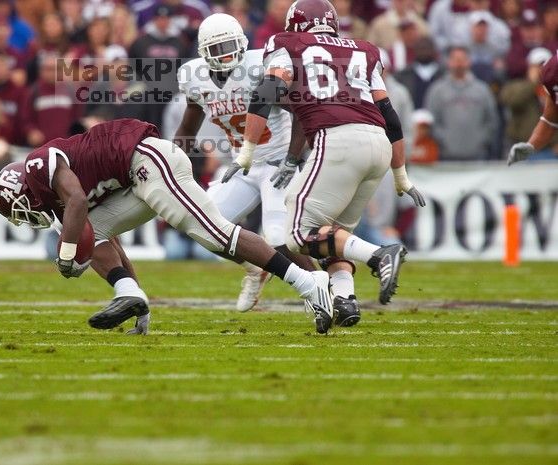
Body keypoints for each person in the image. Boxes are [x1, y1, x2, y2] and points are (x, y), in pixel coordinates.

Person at [0, 118, 335, 334]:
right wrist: (138, 299)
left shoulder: (38, 164)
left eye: (20, 208)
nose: (26, 216)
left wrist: (66, 256)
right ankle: (128, 294)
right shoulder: (56, 195)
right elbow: (103, 236)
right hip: (134, 180)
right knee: (93, 231)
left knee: (217, 237)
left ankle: (309, 282)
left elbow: (78, 202)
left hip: (147, 160)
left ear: (22, 190)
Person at [226, 0, 426, 326]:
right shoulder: (364, 49)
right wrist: (401, 175)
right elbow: (390, 116)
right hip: (378, 146)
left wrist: (246, 150)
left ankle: (379, 255)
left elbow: (266, 90)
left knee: (298, 234)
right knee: (333, 235)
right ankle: (345, 301)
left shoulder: (285, 43)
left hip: (337, 140)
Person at [174, 13, 315, 313]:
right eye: (216, 49)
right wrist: (170, 167)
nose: (224, 55)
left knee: (278, 238)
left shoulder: (259, 67)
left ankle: (317, 287)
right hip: (243, 166)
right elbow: (187, 129)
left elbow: (301, 113)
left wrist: (292, 159)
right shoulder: (194, 78)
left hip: (277, 163)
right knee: (204, 226)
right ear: (203, 53)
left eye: (229, 45)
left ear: (242, 43)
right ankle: (255, 267)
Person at [424, 46, 499, 161]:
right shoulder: (437, 90)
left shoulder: (482, 90)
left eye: (462, 59)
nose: (459, 64)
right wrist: (444, 140)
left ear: (469, 62)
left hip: (477, 156)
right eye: (455, 60)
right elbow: (430, 121)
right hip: (445, 157)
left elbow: (491, 120)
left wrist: (481, 140)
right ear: (448, 62)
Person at [507, 50, 558, 165]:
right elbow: (550, 120)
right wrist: (531, 145)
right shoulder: (552, 74)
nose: (540, 69)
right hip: (536, 148)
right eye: (537, 66)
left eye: (543, 65)